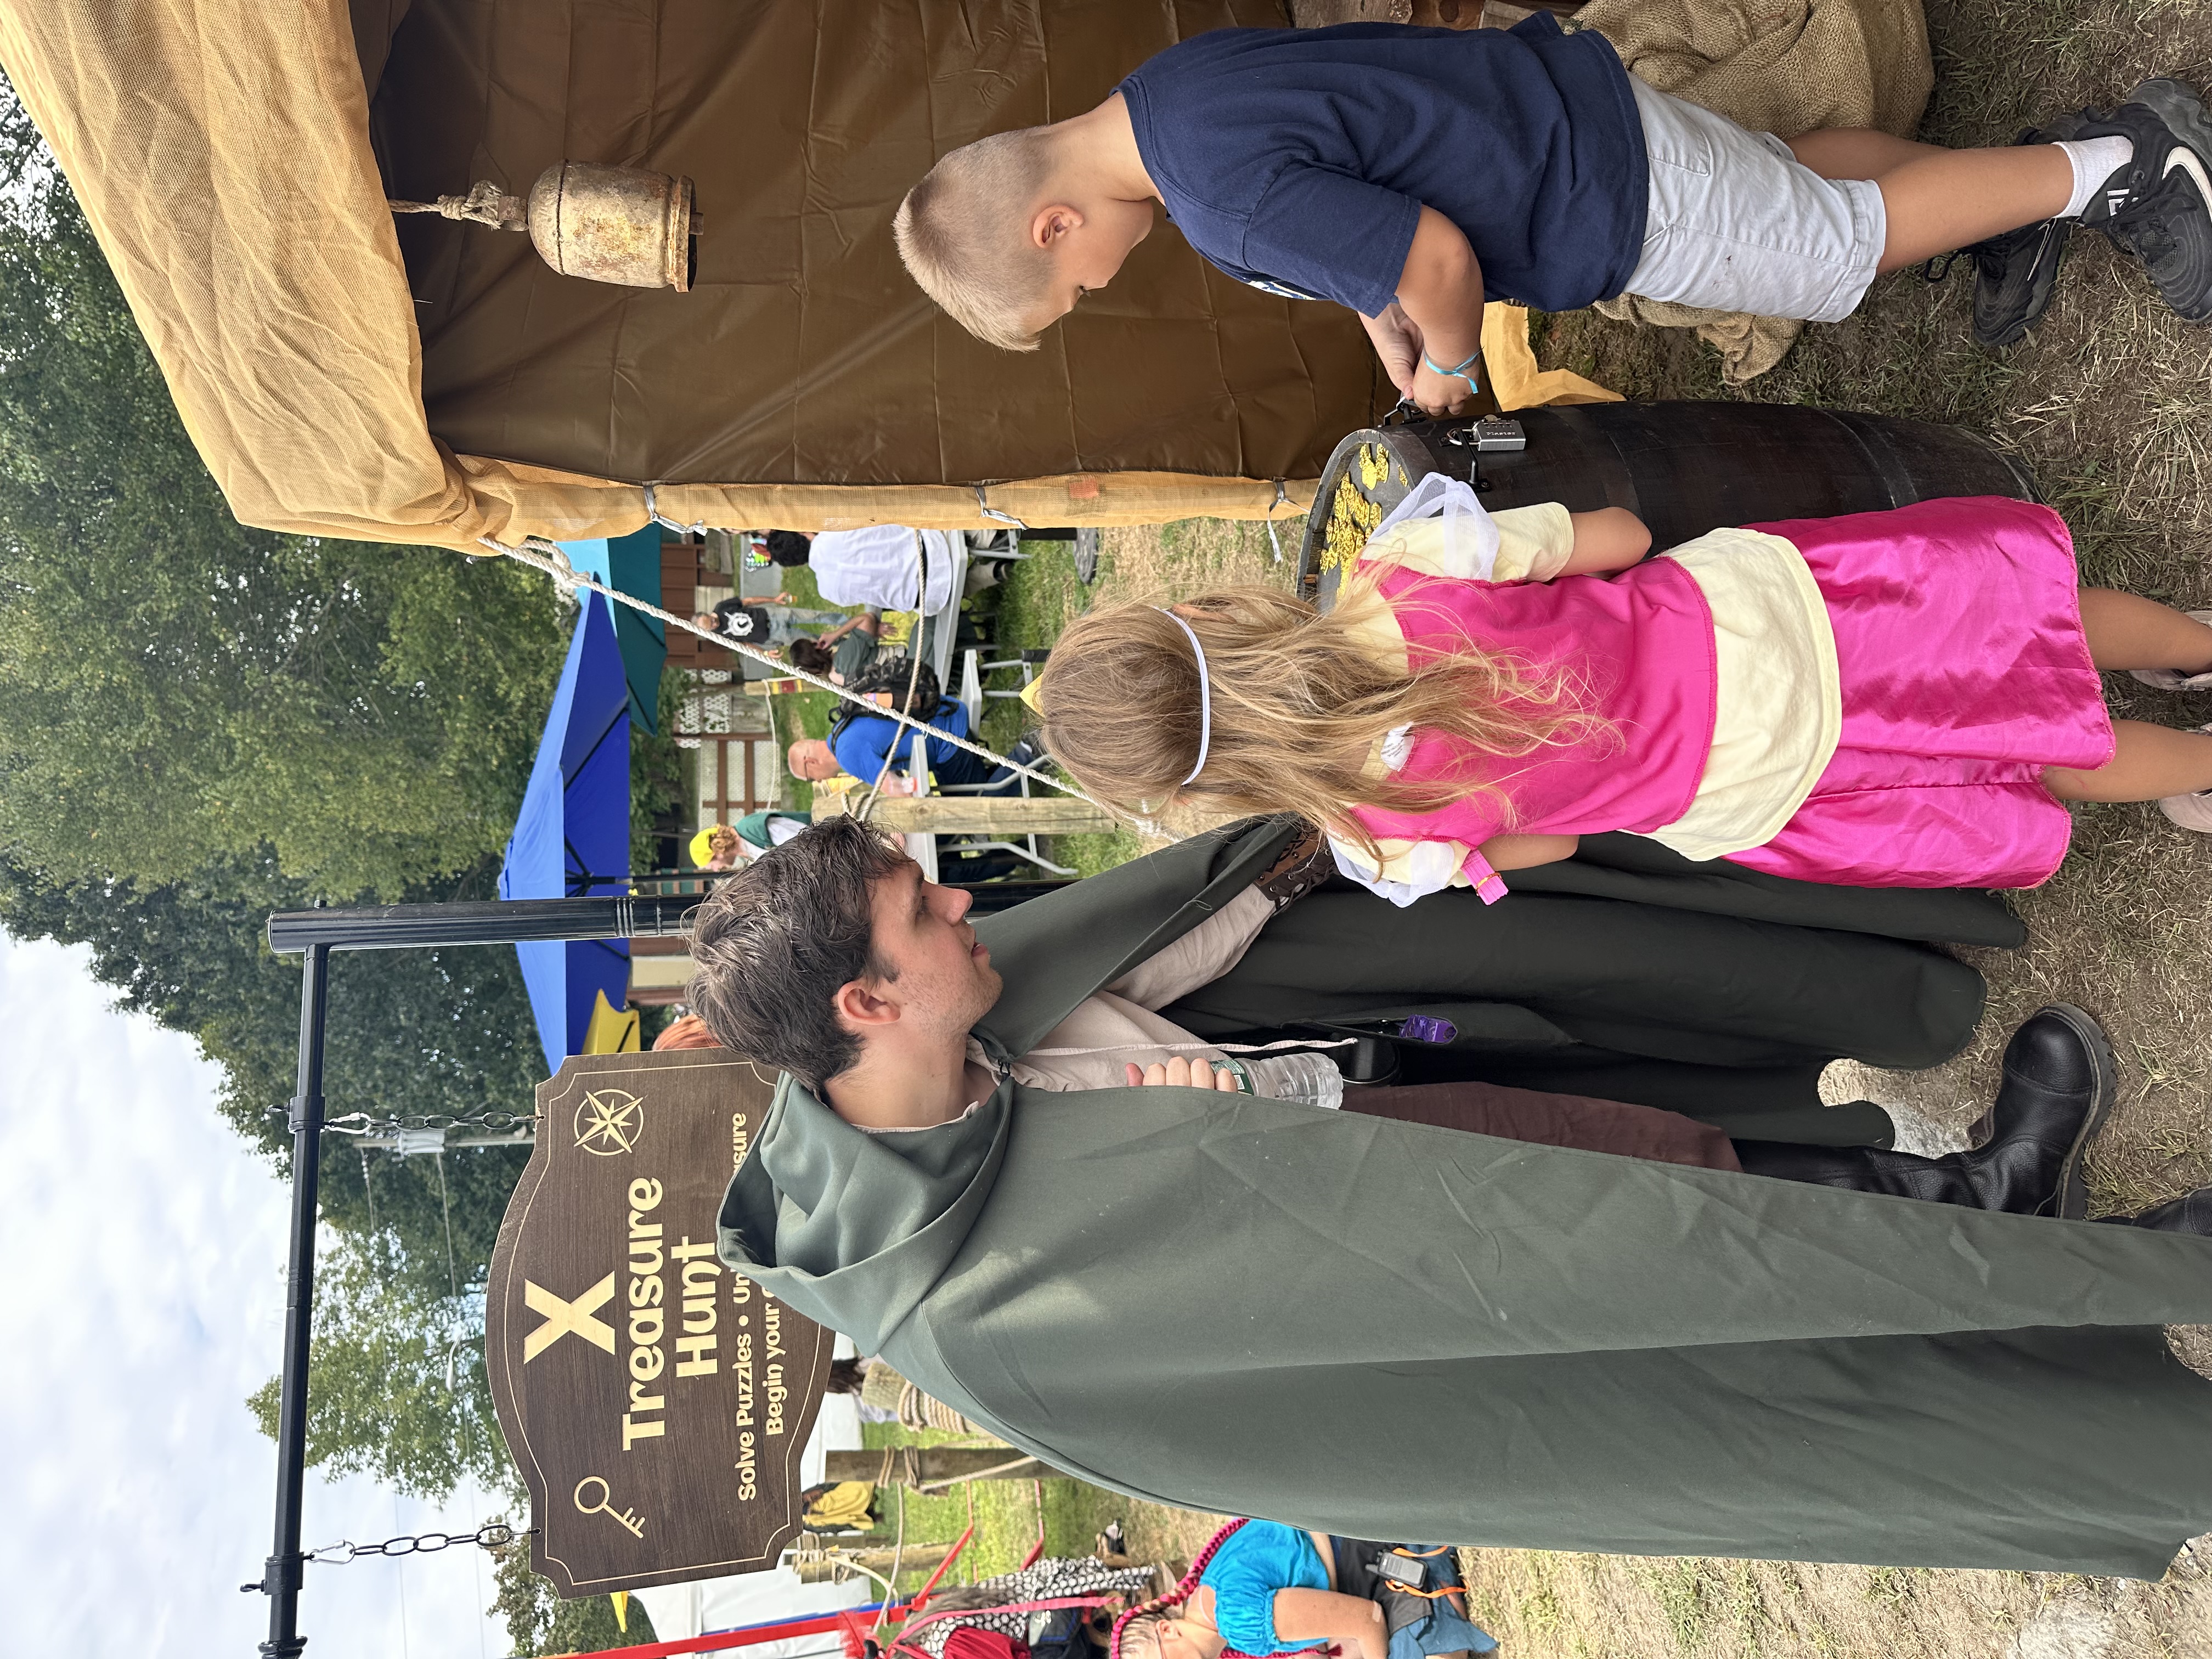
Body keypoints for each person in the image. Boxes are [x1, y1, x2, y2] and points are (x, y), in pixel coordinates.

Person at [704, 816, 2212, 1572]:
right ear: (865, 1007)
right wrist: (1188, 1160)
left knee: (1680, 1166)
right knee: (1714, 1278)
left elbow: (1151, 949)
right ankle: (2034, 1284)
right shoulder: (959, 1303)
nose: (963, 901)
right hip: (1407, 1272)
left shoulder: (977, 1026)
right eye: (923, 910)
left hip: (1382, 1126)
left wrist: (1308, 841)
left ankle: (1986, 1197)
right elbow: (1221, 1363)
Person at [891, 16, 2212, 403]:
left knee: (1833, 240)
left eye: (1076, 289)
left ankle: (2126, 162)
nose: (1102, 290)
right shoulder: (1172, 98)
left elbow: (1434, 253)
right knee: (1804, 173)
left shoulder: (1211, 199)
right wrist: (1386, 327)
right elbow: (1363, 213)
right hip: (1566, 108)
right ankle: (2014, 196)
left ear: (1049, 227)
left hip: (1597, 193)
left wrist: (1456, 363)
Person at [1031, 489, 2212, 900]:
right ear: (1207, 615)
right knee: (2021, 629)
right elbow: (1621, 533)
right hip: (1765, 616)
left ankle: (2198, 772)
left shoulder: (1382, 849)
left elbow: (1548, 843)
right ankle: (2196, 643)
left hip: (1754, 779)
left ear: (1217, 784)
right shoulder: (1406, 562)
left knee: (2025, 758)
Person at [1117, 1523, 1493, 1659]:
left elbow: (1368, 1619)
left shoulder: (1235, 1619)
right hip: (1358, 1554)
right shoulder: (1208, 1598)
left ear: (1167, 1630)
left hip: (1376, 1553)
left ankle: (1432, 1576)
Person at [695, 594, 846, 653]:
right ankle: (842, 642)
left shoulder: (722, 607)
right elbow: (745, 646)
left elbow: (749, 601)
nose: (715, 624)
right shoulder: (719, 637)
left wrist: (774, 600)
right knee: (813, 641)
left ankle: (846, 622)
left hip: (773, 615)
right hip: (772, 635)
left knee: (814, 616)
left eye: (712, 620)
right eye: (711, 627)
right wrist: (765, 653)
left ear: (708, 614)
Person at [789, 612, 882, 684]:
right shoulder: (843, 659)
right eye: (811, 643)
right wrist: (835, 635)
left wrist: (873, 632)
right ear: (816, 647)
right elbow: (867, 619)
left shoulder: (834, 678)